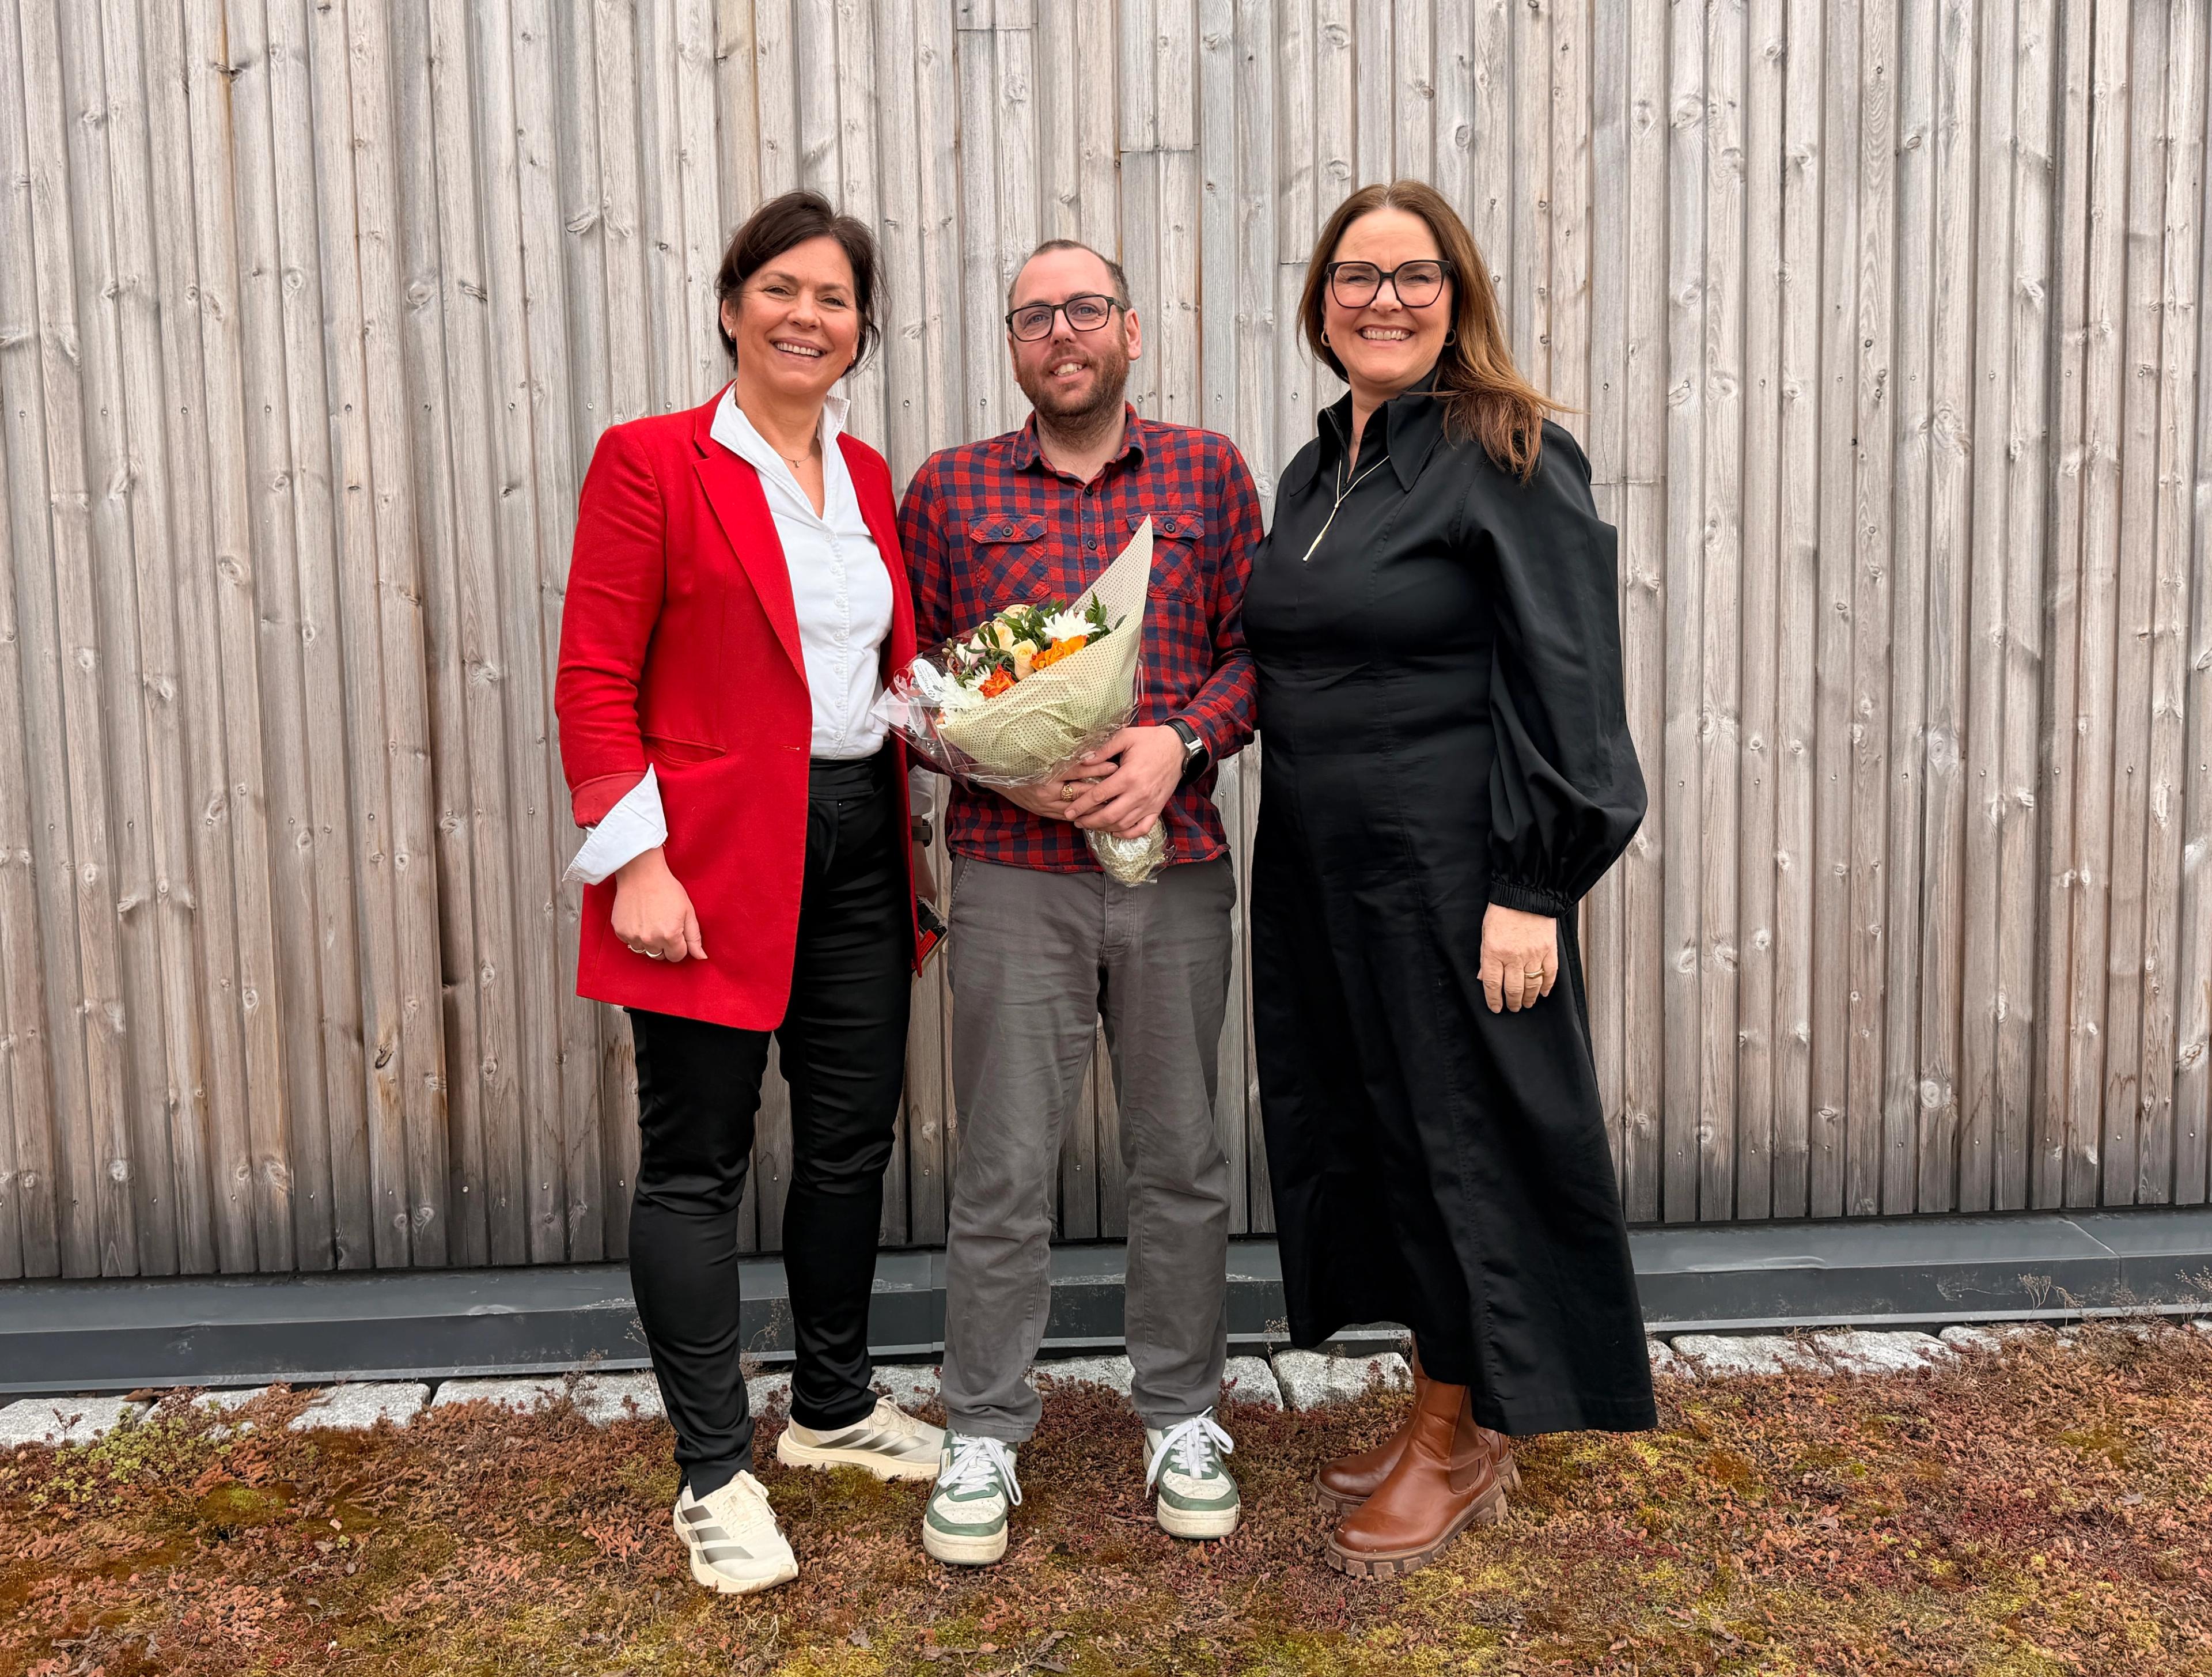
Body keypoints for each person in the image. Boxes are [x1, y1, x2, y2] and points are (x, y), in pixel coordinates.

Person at [1245, 180, 1655, 1581]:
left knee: (1465, 1146)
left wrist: (1534, 885)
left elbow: (1573, 684)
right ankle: (1455, 1403)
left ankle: (1457, 1433)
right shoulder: (1313, 472)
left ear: (1456, 294)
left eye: (1414, 277)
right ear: (1320, 304)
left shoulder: (1509, 451)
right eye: (1356, 278)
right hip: (1318, 872)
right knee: (1381, 1136)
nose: (1384, 300)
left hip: (1455, 877)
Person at [554, 190, 944, 1597]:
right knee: (697, 1162)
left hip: (856, 841)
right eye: (780, 288)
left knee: (850, 1144)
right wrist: (635, 861)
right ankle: (714, 1471)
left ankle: (830, 1406)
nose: (806, 315)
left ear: (860, 333)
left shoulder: (868, 472)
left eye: (835, 299)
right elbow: (596, 680)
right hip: (705, 857)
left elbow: (867, 676)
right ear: (731, 306)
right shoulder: (654, 461)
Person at [898, 240, 1264, 1566]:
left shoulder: (1210, 474)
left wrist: (1179, 746)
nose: (1063, 333)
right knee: (1000, 1172)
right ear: (1013, 345)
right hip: (1011, 877)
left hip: (1175, 873)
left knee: (1181, 1162)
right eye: (1035, 315)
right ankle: (985, 1427)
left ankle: (1180, 1412)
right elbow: (918, 686)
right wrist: (1003, 762)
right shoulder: (947, 491)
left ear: (1132, 332)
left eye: (1086, 310)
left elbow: (1253, 653)